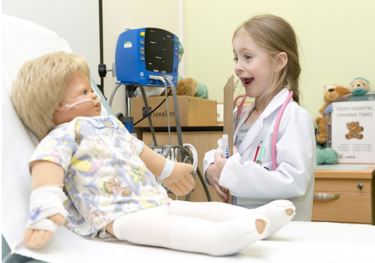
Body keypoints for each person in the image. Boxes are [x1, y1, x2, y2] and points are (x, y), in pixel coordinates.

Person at [11, 51, 296, 256]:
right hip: (117, 217)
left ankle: (254, 219)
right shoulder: (65, 134)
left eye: (92, 90)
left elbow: (141, 151)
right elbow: (47, 168)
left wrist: (170, 170)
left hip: (152, 200)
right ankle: (220, 240)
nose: (94, 97)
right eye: (83, 92)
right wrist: (44, 214)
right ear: (53, 106)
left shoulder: (110, 127)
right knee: (170, 230)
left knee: (199, 210)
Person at [204, 14, 316, 221]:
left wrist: (232, 172)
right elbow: (224, 151)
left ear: (279, 62)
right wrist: (211, 167)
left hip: (283, 235)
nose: (238, 66)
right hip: (246, 230)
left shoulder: (293, 117)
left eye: (247, 57)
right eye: (236, 58)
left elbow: (294, 181)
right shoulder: (241, 116)